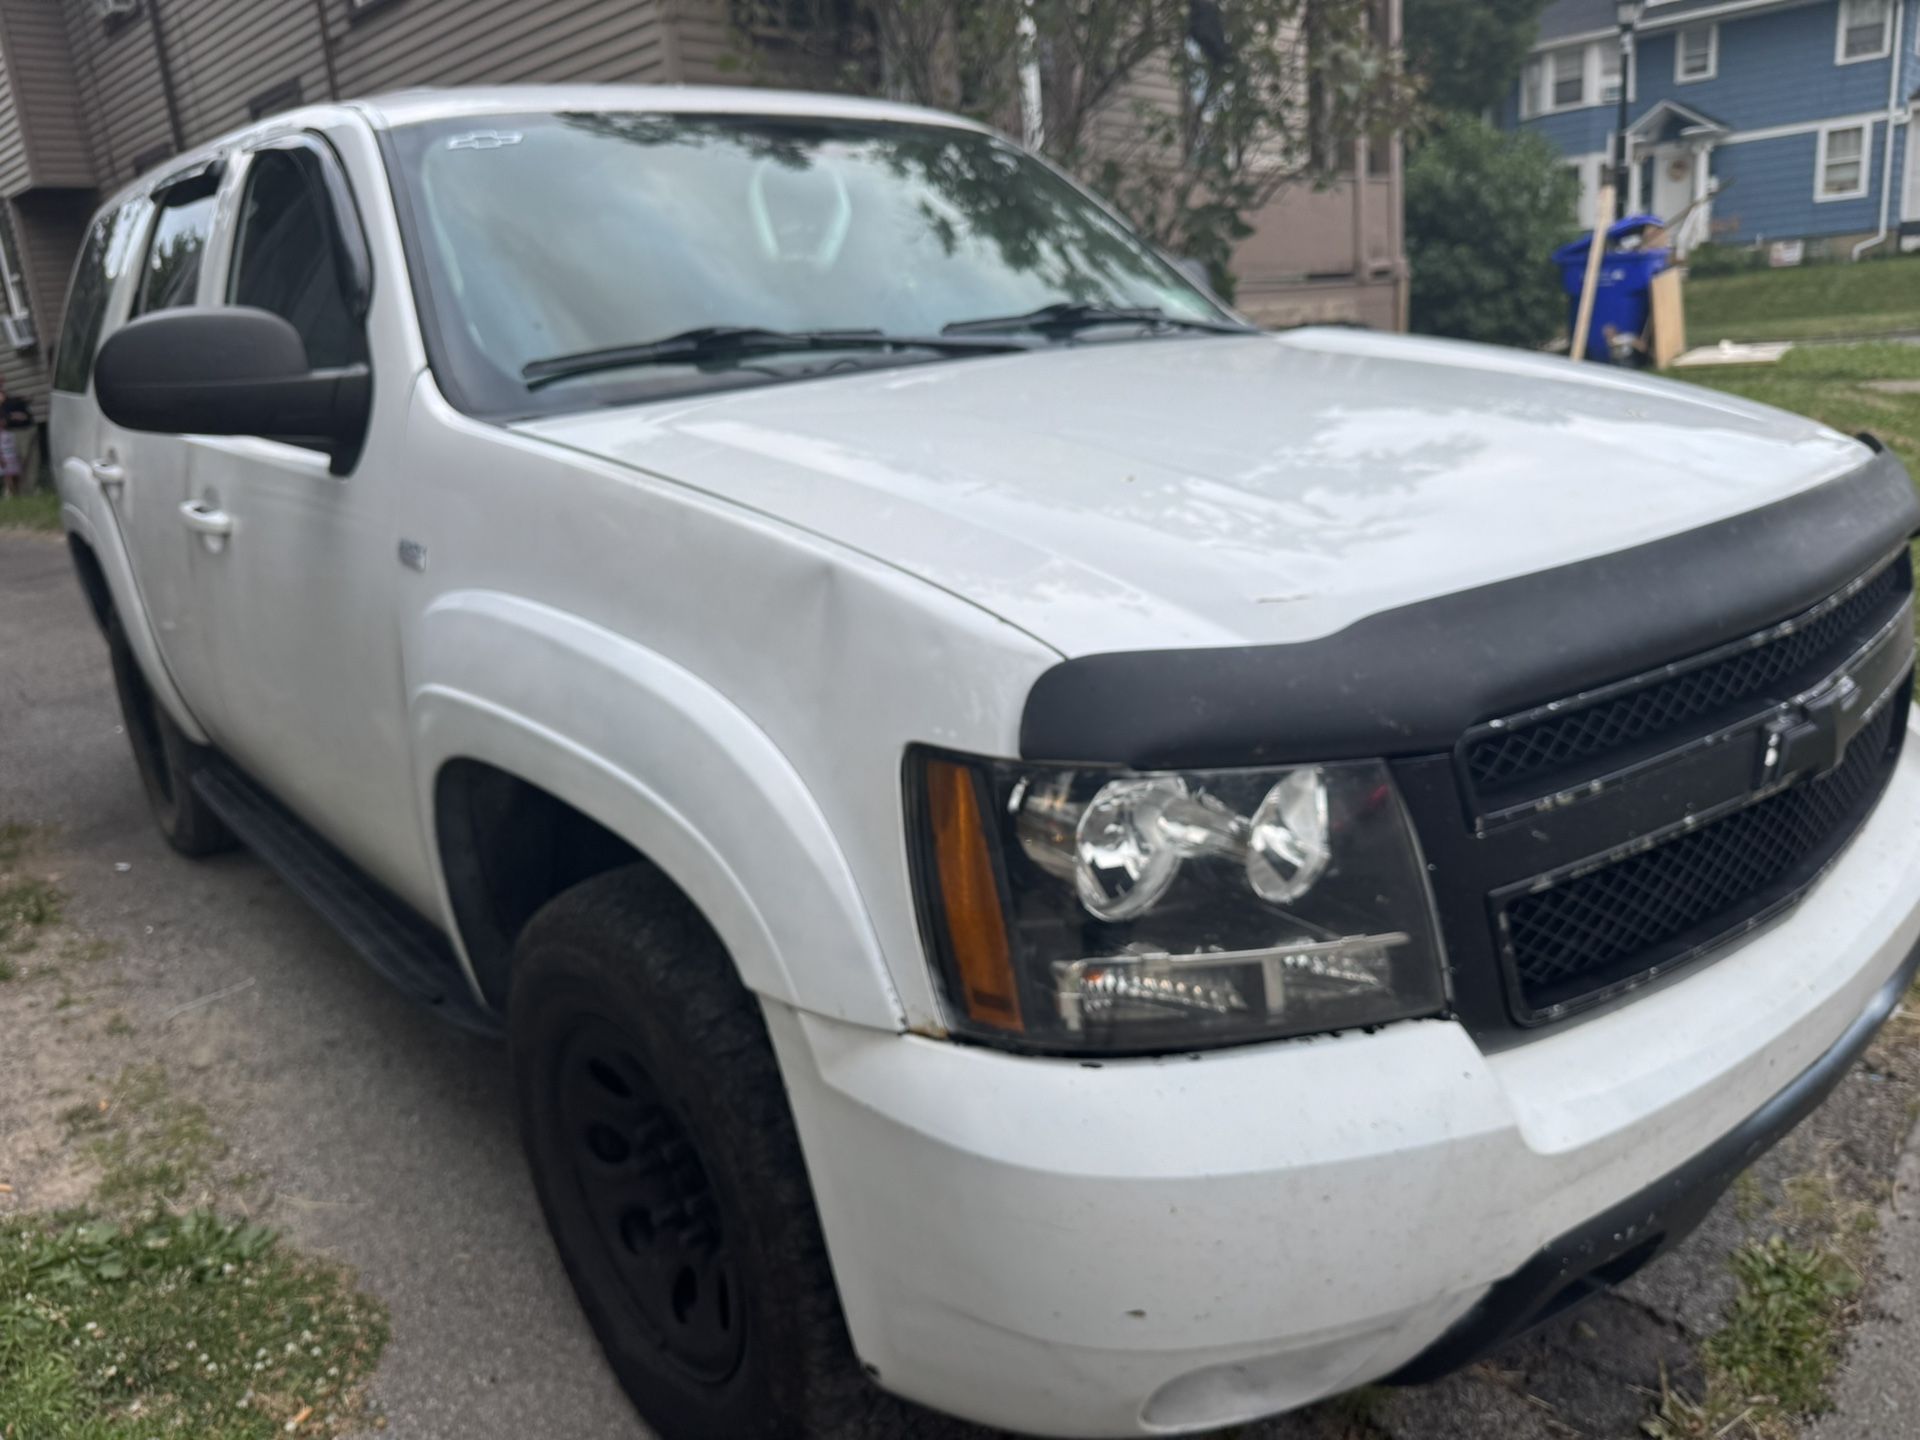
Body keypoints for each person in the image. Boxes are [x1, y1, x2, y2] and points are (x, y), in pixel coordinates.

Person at [0, 385, 30, 498]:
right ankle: (10, 492)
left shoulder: (9, 433)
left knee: (15, 472)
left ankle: (18, 491)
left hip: (12, 454)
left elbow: (23, 416)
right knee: (8, 475)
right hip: (5, 456)